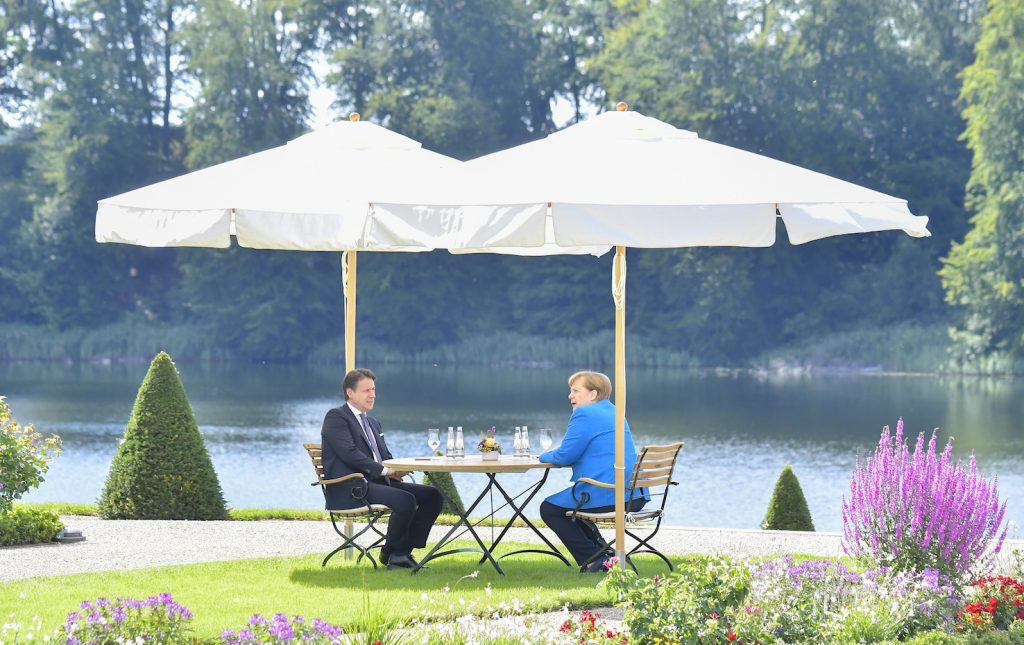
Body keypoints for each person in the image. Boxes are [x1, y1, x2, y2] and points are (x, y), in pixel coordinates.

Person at [320, 368, 443, 570]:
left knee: (433, 496)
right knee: (405, 500)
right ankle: (394, 554)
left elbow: (384, 456)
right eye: (366, 390)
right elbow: (349, 453)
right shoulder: (336, 417)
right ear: (350, 393)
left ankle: (399, 552)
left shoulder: (373, 422)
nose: (372, 395)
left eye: (374, 390)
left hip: (376, 483)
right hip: (351, 488)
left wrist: (398, 469)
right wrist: (385, 471)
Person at [538, 370, 648, 572]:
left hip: (609, 493)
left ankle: (593, 559)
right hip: (633, 494)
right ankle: (603, 555)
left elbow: (564, 456)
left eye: (575, 391)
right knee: (570, 510)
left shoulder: (584, 414)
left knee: (550, 509)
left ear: (593, 394)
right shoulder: (615, 412)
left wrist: (541, 456)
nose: (570, 396)